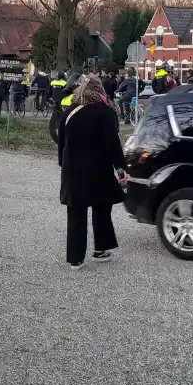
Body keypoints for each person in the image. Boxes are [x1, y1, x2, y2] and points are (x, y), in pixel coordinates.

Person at [57, 76, 127, 270]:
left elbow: (61, 139)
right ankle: (101, 249)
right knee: (102, 208)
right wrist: (121, 170)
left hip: (73, 170)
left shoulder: (71, 110)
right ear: (101, 93)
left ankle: (75, 259)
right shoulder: (105, 112)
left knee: (76, 213)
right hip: (99, 170)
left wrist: (63, 163)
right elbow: (113, 144)